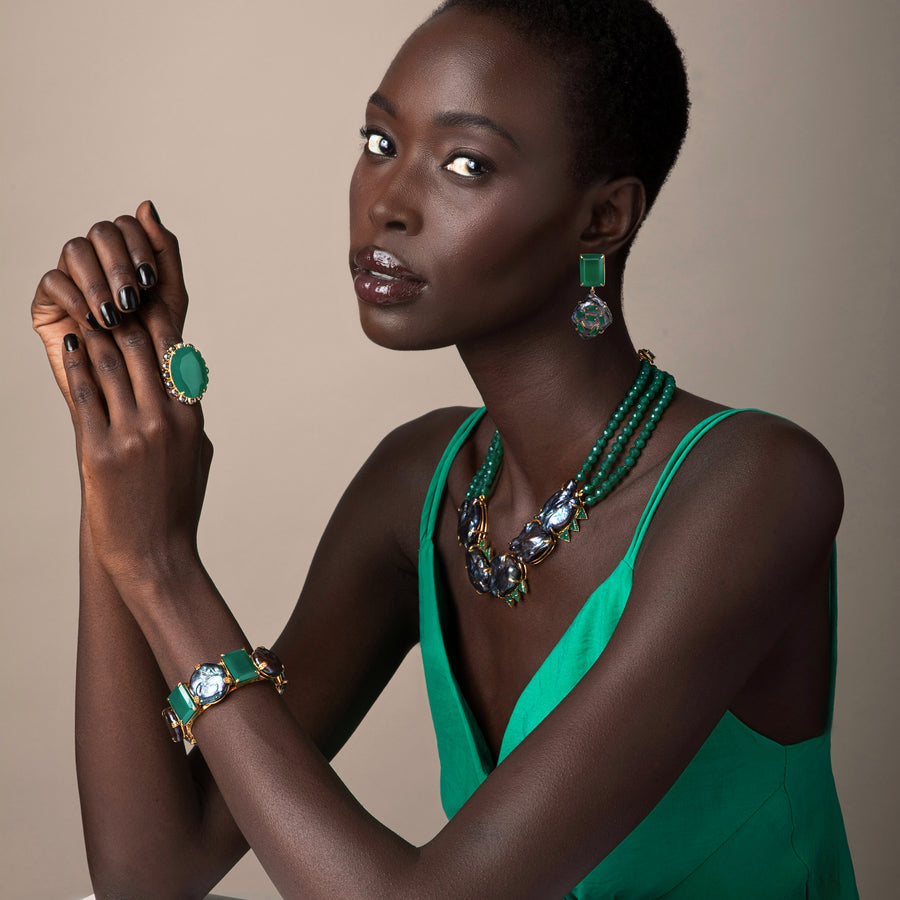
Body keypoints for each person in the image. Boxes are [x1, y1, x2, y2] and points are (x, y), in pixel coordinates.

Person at [31, 0, 858, 896]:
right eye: (380, 143)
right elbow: (151, 869)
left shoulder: (756, 489)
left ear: (602, 220)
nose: (386, 203)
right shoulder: (419, 486)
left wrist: (160, 566)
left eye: (465, 164)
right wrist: (115, 435)